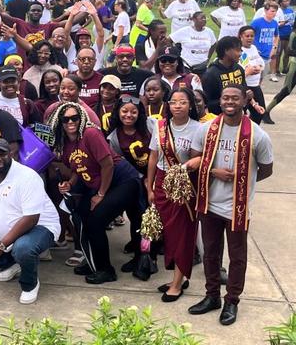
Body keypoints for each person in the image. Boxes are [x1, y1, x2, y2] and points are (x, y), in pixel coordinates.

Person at [188, 84, 273, 326]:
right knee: (211, 253)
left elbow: (266, 170)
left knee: (237, 256)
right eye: (225, 98)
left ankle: (232, 300)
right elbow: (195, 160)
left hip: (237, 206)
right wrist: (213, 171)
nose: (229, 102)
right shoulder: (206, 129)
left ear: (244, 101)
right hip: (210, 203)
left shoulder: (258, 135)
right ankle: (212, 296)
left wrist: (244, 179)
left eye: (235, 98)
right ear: (220, 101)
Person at [51, 102, 143, 284]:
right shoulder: (67, 144)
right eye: (65, 119)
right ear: (59, 122)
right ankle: (93, 262)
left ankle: (105, 270)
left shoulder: (90, 134)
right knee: (81, 216)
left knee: (95, 221)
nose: (70, 122)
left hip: (123, 181)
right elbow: (78, 168)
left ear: (81, 118)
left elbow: (107, 164)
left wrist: (100, 194)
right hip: (102, 184)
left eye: (74, 118)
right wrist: (69, 183)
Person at [0, 138, 60, 304]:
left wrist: (0, 247)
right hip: (9, 230)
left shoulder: (28, 177)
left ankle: (30, 283)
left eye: (3, 154)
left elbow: (31, 218)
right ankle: (10, 264)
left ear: (12, 154)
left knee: (23, 248)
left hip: (40, 226)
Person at [144, 88, 203, 301]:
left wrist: (185, 168)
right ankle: (177, 277)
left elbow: (198, 161)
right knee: (168, 233)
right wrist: (150, 187)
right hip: (161, 183)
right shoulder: (160, 127)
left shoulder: (198, 129)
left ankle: (177, 284)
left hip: (183, 187)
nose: (178, 106)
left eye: (183, 102)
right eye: (174, 102)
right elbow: (153, 157)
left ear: (190, 105)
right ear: (168, 104)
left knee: (182, 234)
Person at [169, 12, 217, 76]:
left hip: (202, 68)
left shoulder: (209, 32)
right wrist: (175, 54)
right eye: (201, 18)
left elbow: (214, 44)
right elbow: (169, 40)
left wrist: (208, 58)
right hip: (186, 67)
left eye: (205, 18)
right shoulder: (185, 31)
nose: (204, 20)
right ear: (194, 20)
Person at [251, 1, 281, 82]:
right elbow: (248, 33)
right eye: (272, 11)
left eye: (275, 12)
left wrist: (274, 48)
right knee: (254, 77)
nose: (274, 13)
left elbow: (276, 35)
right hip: (257, 54)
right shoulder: (257, 22)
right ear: (265, 10)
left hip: (268, 54)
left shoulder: (274, 23)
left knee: (261, 78)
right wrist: (252, 48)